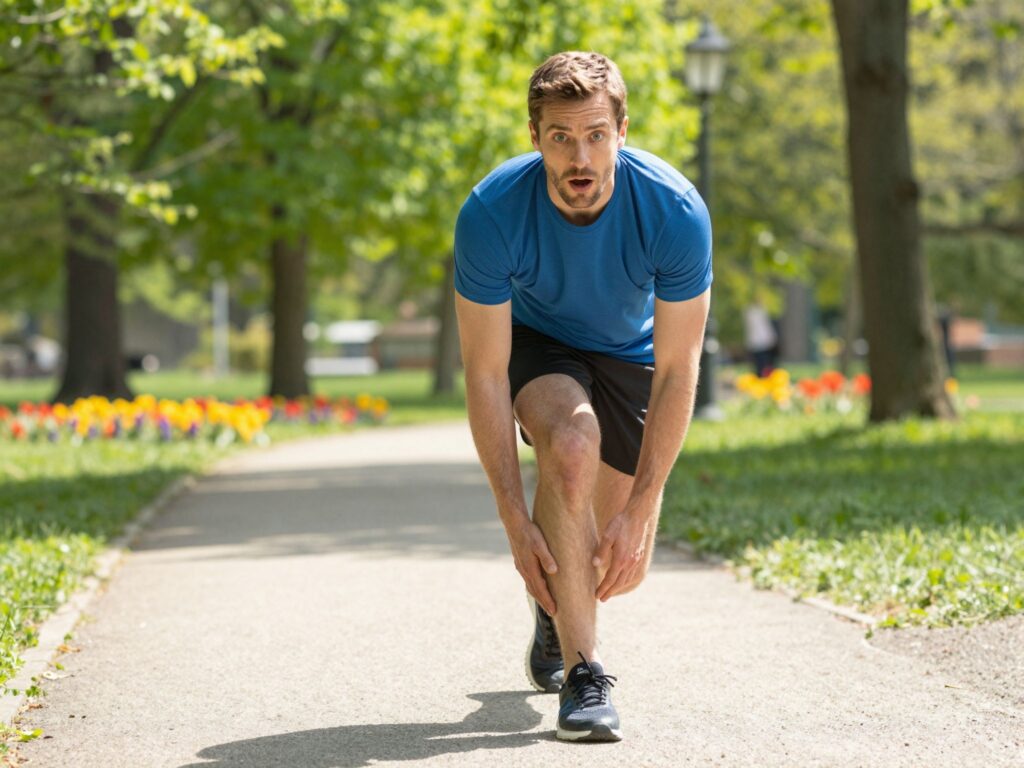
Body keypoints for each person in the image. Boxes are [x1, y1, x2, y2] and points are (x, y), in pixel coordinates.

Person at [453, 51, 712, 743]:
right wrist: (513, 517)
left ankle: (556, 613)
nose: (580, 157)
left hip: (631, 357)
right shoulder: (490, 213)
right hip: (540, 344)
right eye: (561, 137)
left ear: (622, 132)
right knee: (570, 448)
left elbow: (679, 367)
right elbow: (484, 370)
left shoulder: (675, 210)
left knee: (593, 553)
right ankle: (584, 676)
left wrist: (645, 506)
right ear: (535, 137)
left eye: (596, 134)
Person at [743, 299, 778, 377]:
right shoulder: (752, 311)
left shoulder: (761, 310)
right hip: (759, 342)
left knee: (765, 365)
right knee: (761, 365)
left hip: (763, 342)